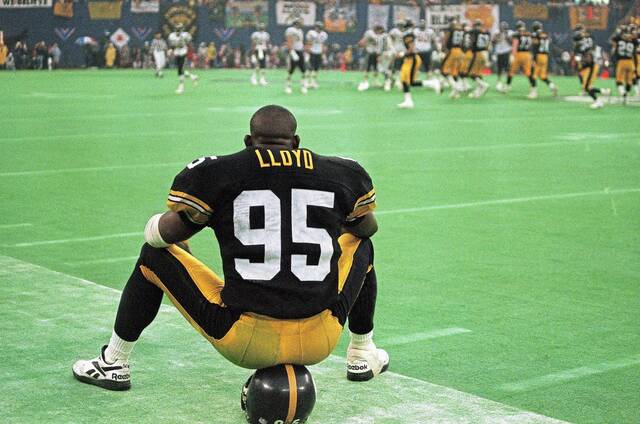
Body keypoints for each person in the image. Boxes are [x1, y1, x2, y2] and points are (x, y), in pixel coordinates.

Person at [72, 105, 389, 391]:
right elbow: (367, 227)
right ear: (296, 141)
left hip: (245, 338)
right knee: (361, 245)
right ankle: (361, 353)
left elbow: (165, 235)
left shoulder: (220, 172)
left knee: (152, 257)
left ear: (249, 141)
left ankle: (114, 362)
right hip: (321, 335)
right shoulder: (340, 172)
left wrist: (156, 227)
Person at [496, 20, 536, 98]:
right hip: (527, 54)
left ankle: (507, 86)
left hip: (518, 54)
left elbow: (515, 45)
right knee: (529, 73)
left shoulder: (516, 34)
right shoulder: (528, 34)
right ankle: (533, 90)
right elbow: (531, 44)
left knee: (511, 71)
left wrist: (512, 55)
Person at [573, 26, 610, 109]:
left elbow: (584, 56)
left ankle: (598, 101)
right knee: (586, 85)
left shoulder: (580, 45)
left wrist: (581, 62)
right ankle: (603, 92)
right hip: (589, 65)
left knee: (586, 87)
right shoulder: (588, 41)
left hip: (590, 65)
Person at [529, 21, 558, 99]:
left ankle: (533, 92)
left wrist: (534, 59)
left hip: (539, 55)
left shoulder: (535, 34)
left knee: (533, 75)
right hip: (545, 56)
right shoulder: (546, 34)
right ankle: (552, 86)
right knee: (542, 76)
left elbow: (535, 47)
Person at [168, 23, 199, 94]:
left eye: (179, 29)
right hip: (176, 51)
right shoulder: (172, 35)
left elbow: (190, 43)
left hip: (183, 51)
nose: (178, 31)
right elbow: (172, 44)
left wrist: (192, 53)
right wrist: (170, 50)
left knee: (180, 69)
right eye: (177, 29)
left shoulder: (185, 35)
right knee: (180, 69)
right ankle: (193, 77)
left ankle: (181, 86)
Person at [610, 24, 635, 105]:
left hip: (621, 61)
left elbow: (613, 39)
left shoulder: (618, 38)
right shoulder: (633, 40)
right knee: (629, 81)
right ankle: (626, 95)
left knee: (619, 80)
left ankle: (623, 93)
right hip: (630, 62)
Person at [466, 20, 491, 99]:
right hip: (485, 53)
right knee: (477, 73)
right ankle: (478, 92)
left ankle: (484, 85)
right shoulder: (487, 32)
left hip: (478, 53)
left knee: (470, 73)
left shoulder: (475, 31)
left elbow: (471, 37)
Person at [357, 24, 384, 91]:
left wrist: (379, 55)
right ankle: (365, 80)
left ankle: (375, 81)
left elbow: (379, 46)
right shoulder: (370, 33)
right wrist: (361, 44)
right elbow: (362, 41)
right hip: (370, 52)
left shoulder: (380, 36)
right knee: (368, 67)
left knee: (375, 67)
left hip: (376, 53)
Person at [284, 18, 308, 94]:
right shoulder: (291, 30)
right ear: (296, 23)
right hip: (293, 51)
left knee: (303, 70)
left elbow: (301, 43)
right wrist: (292, 51)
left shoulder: (300, 31)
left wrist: (304, 51)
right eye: (300, 23)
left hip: (300, 51)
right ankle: (288, 85)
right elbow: (289, 40)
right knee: (291, 70)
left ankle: (303, 85)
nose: (302, 24)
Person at [306, 21, 328, 89]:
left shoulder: (324, 34)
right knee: (310, 68)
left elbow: (323, 44)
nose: (318, 29)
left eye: (320, 27)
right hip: (312, 52)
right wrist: (307, 52)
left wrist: (323, 54)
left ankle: (313, 82)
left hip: (319, 52)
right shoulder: (311, 33)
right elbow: (308, 43)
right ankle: (307, 82)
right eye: (318, 27)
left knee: (316, 69)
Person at [493, 21, 511, 92]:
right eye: (502, 27)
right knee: (499, 68)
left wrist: (506, 35)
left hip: (506, 52)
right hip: (499, 52)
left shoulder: (510, 33)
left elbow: (511, 42)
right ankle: (499, 82)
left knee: (507, 69)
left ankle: (506, 83)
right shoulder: (497, 32)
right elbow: (493, 41)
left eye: (504, 27)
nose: (503, 29)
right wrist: (498, 36)